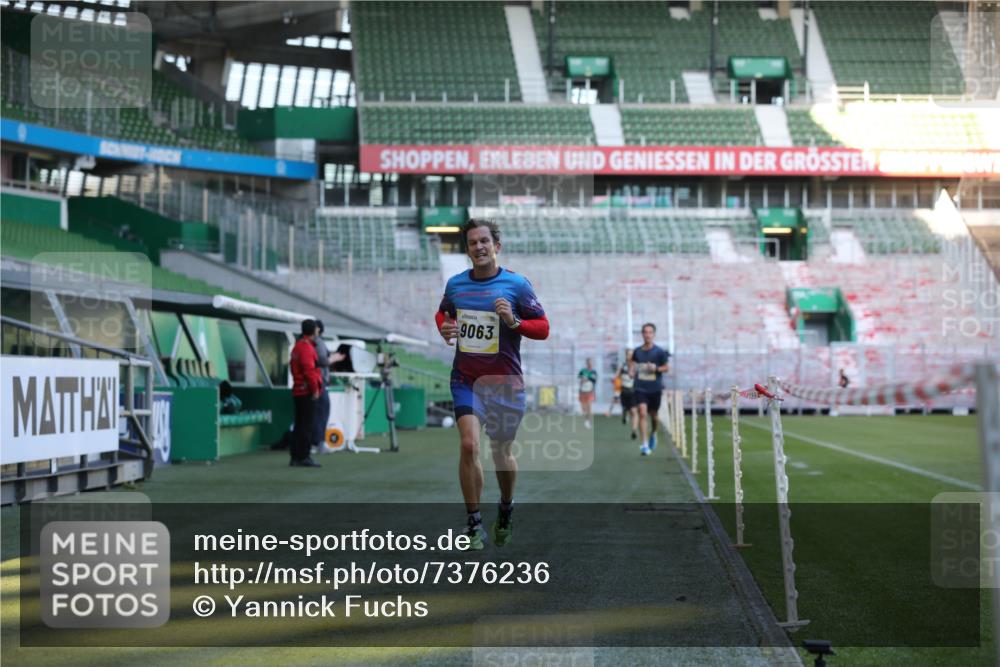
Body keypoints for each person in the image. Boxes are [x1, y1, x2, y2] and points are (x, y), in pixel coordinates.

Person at [436, 219, 549, 550]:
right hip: (466, 379)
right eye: (472, 243)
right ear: (467, 250)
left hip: (505, 384)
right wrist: (444, 327)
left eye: (484, 241)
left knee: (501, 453)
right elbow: (443, 314)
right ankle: (473, 524)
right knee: (469, 445)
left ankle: (506, 507)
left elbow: (543, 327)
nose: (479, 247)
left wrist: (513, 321)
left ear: (496, 246)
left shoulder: (516, 285)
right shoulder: (456, 285)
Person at [632, 323, 670, 457]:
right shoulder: (637, 352)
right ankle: (644, 444)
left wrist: (656, 368)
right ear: (642, 334)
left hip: (655, 388)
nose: (647, 335)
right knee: (642, 413)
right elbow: (633, 366)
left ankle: (654, 432)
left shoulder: (659, 352)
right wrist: (632, 372)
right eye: (645, 332)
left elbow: (666, 367)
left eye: (650, 332)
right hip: (640, 387)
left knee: (654, 416)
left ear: (653, 334)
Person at [289, 319, 323, 468]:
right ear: (313, 331)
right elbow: (309, 371)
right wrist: (315, 390)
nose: (318, 332)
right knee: (306, 425)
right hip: (306, 391)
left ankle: (296, 456)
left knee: (299, 424)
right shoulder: (307, 349)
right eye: (316, 329)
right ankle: (304, 456)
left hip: (298, 390)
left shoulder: (298, 347)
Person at [312, 320, 346, 454]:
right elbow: (322, 360)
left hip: (312, 382)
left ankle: (314, 443)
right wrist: (335, 358)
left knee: (314, 414)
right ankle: (319, 443)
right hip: (318, 382)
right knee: (322, 412)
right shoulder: (318, 341)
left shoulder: (305, 342)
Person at [619, 349, 639, 440]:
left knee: (634, 411)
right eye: (628, 354)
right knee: (626, 409)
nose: (630, 356)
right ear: (626, 355)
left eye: (631, 354)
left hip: (633, 392)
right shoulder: (622, 366)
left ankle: (634, 430)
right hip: (624, 391)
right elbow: (616, 376)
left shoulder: (636, 366)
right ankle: (624, 413)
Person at [577, 358, 597, 429]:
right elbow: (579, 379)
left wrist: (587, 378)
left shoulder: (594, 372)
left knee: (589, 407)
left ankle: (588, 421)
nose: (590, 364)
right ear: (587, 363)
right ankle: (585, 419)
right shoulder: (582, 371)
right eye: (589, 362)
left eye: (591, 362)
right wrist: (582, 380)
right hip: (582, 391)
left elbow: (594, 381)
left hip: (589, 392)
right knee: (584, 409)